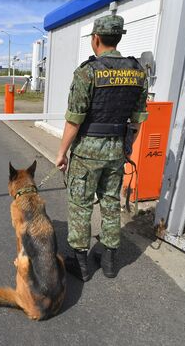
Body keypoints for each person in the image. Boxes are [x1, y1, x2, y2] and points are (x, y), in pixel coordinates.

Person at [55, 14, 148, 281]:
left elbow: (74, 119)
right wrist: (126, 147)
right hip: (117, 150)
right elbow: (138, 118)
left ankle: (80, 264)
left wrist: (61, 153)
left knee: (80, 205)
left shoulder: (88, 72)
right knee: (110, 203)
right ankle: (109, 262)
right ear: (118, 38)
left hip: (87, 152)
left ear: (96, 39)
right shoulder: (137, 71)